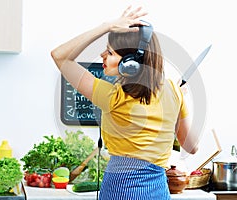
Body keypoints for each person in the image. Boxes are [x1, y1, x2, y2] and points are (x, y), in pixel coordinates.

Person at [51, 6, 199, 200]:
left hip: (119, 190)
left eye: (110, 52)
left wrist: (106, 26)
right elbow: (192, 146)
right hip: (158, 191)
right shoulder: (174, 91)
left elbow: (59, 56)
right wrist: (181, 98)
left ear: (131, 62)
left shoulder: (112, 96)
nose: (103, 55)